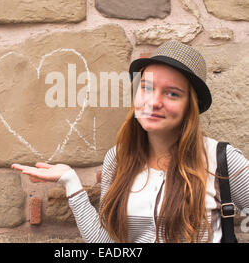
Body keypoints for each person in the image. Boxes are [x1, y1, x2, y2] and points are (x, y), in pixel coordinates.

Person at [12, 40, 249, 243]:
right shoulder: (118, 158)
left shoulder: (222, 161)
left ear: (190, 106)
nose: (153, 102)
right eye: (146, 88)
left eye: (172, 93)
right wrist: (71, 183)